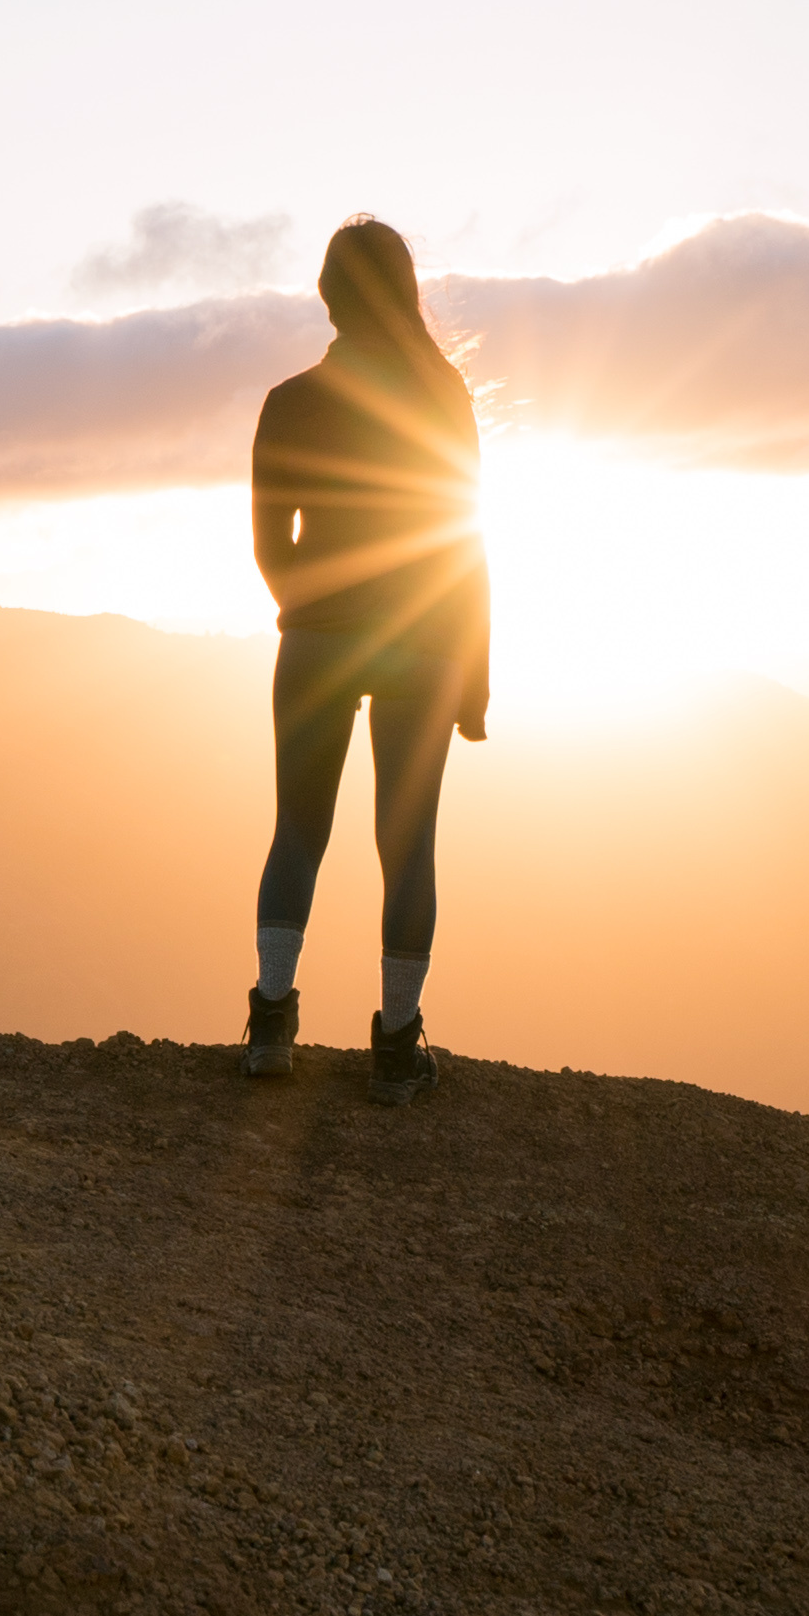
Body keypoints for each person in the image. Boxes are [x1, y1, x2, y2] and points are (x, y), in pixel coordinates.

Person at [242, 216, 488, 1103]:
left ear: (328, 297)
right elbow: (467, 546)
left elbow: (271, 543)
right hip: (424, 642)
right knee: (407, 844)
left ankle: (272, 1027)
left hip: (316, 640)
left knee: (298, 833)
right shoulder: (443, 396)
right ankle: (394, 1047)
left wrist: (305, 610)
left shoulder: (290, 401)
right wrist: (477, 678)